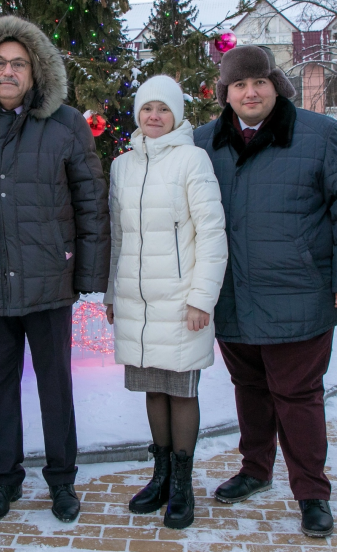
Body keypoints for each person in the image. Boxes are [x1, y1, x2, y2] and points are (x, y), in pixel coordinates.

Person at [0, 15, 110, 524]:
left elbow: (90, 200)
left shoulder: (66, 125)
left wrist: (87, 277)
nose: (8, 72)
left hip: (49, 282)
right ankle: (4, 480)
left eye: (19, 64)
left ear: (35, 73)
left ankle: (62, 481)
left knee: (56, 387)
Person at [192, 45, 337, 538]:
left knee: (297, 396)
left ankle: (312, 492)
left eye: (260, 83)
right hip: (231, 294)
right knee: (249, 389)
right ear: (226, 93)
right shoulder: (203, 142)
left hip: (300, 291)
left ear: (277, 87)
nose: (250, 93)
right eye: (239, 85)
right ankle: (255, 469)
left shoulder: (320, 135)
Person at [103, 75, 227, 529]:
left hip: (179, 303)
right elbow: (118, 237)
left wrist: (201, 299)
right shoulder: (122, 166)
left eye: (164, 109)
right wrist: (113, 292)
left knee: (180, 390)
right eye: (147, 108)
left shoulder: (193, 160)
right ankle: (160, 476)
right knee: (153, 388)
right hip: (138, 302)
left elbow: (213, 234)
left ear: (177, 115)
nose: (154, 116)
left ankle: (182, 483)